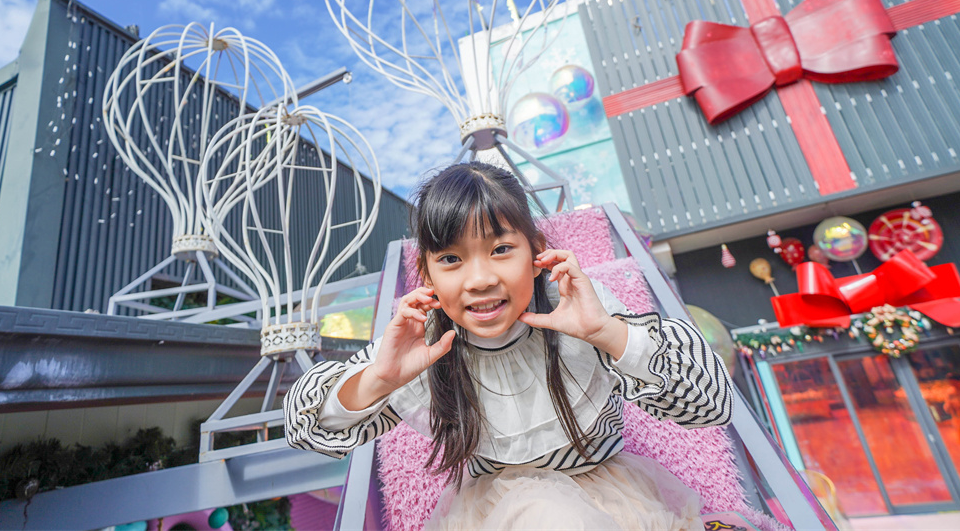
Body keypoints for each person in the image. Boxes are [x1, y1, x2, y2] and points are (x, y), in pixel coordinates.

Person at [284, 161, 733, 530]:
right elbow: (303, 428)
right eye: (451, 259)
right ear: (426, 272)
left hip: (614, 502)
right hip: (497, 513)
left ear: (536, 251)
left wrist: (608, 334)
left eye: (500, 249)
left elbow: (712, 404)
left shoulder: (578, 306)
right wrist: (377, 380)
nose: (479, 280)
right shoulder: (422, 339)